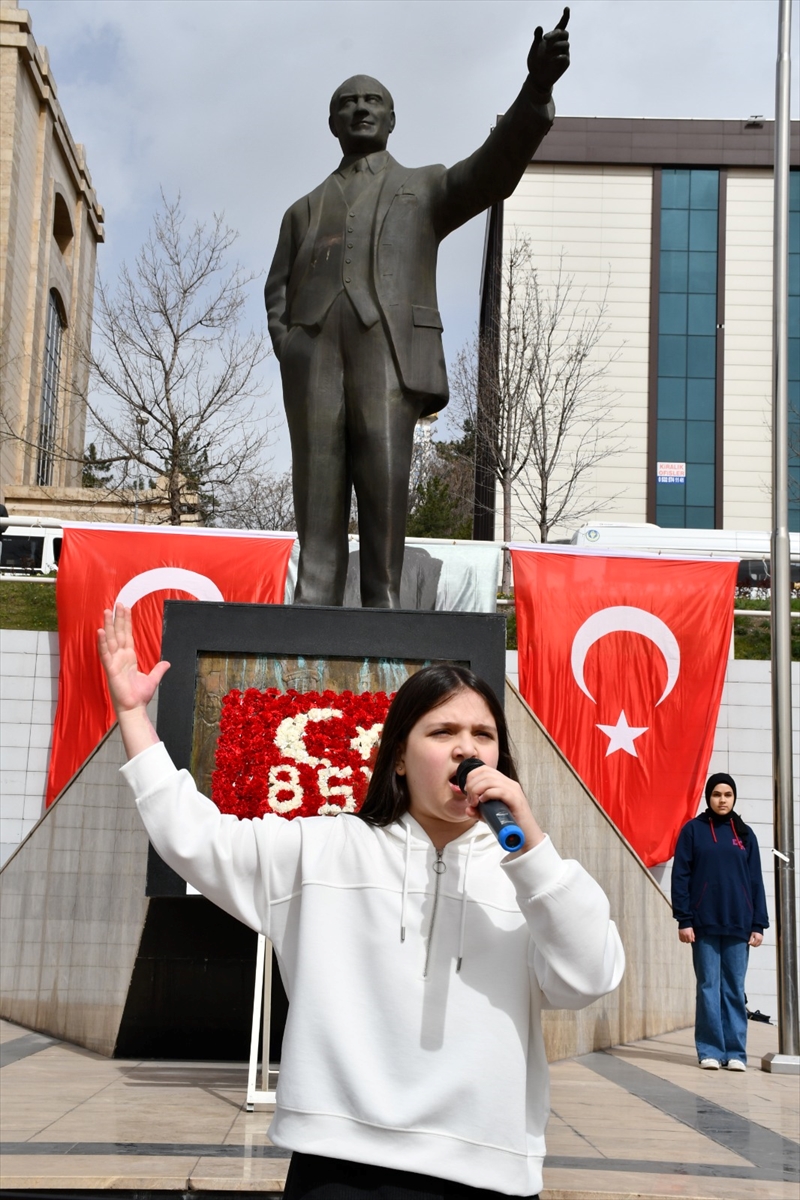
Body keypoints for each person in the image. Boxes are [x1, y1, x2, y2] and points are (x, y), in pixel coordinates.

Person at [98, 604, 624, 1199]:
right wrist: (133, 714)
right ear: (399, 756)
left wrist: (532, 849)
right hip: (339, 1166)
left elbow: (589, 976)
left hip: (488, 1171)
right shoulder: (324, 851)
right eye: (443, 732)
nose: (466, 751)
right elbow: (193, 837)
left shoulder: (531, 872)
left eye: (483, 736)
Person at [265, 11, 571, 609]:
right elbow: (276, 288)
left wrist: (536, 90)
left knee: (384, 483)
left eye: (373, 100)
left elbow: (492, 171)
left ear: (392, 118)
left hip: (389, 351)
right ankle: (311, 609)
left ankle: (384, 610)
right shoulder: (301, 209)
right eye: (348, 103)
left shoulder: (425, 187)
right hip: (314, 355)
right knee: (317, 491)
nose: (361, 109)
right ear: (331, 122)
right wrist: (292, 345)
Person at [671, 772, 769, 1072]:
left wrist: (758, 924)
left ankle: (736, 1053)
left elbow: (755, 881)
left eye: (727, 794)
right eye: (717, 794)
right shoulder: (693, 831)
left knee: (734, 989)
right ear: (708, 797)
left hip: (739, 925)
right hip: (704, 924)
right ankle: (710, 1050)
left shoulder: (745, 834)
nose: (722, 800)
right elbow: (681, 877)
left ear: (734, 797)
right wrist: (684, 919)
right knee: (708, 987)